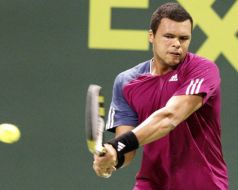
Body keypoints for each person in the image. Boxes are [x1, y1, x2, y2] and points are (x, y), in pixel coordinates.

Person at [93, 2, 229, 190]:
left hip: (202, 184)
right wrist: (112, 159)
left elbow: (169, 118)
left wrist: (117, 146)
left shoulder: (203, 69)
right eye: (169, 36)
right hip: (152, 183)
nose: (176, 44)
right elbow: (127, 148)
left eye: (183, 38)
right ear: (151, 36)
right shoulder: (126, 82)